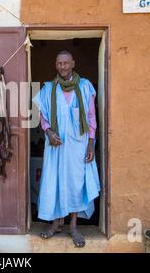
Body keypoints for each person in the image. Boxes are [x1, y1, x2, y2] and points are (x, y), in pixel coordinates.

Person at [32, 50, 100, 248]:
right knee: (55, 181)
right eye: (59, 63)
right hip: (56, 146)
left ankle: (73, 226)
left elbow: (91, 118)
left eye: (66, 63)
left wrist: (90, 144)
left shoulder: (85, 86)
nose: (62, 66)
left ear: (73, 64)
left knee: (75, 184)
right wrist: (48, 131)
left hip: (79, 146)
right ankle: (55, 223)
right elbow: (43, 116)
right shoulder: (48, 89)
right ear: (56, 65)